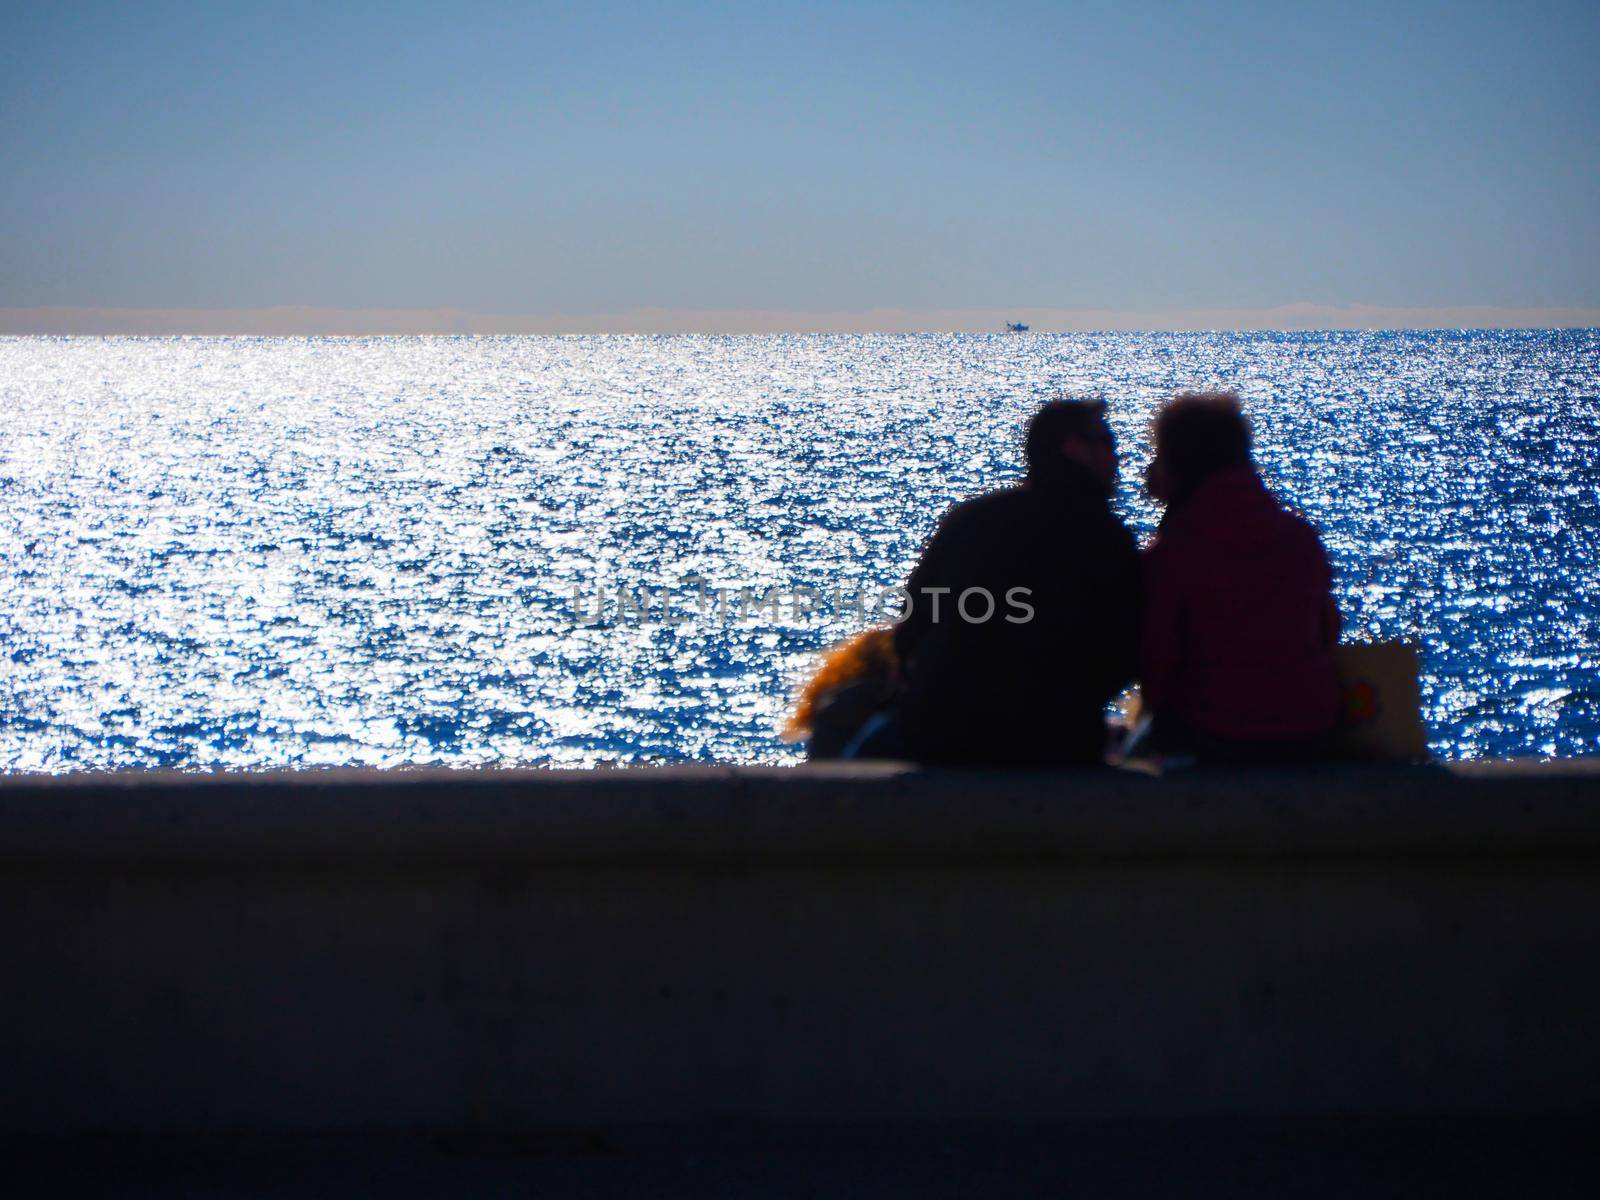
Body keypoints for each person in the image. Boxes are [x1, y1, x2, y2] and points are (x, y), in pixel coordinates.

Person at [889, 399, 1140, 766]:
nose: (1116, 457)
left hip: (942, 741)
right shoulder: (1105, 538)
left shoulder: (969, 522)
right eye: (1107, 443)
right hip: (1054, 744)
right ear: (1072, 448)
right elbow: (1126, 650)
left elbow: (910, 628)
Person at [1139, 392, 1342, 763]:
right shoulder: (1299, 537)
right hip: (1310, 731)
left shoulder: (1172, 553)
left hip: (1212, 737)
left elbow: (1157, 670)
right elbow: (1328, 630)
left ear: (1177, 464)